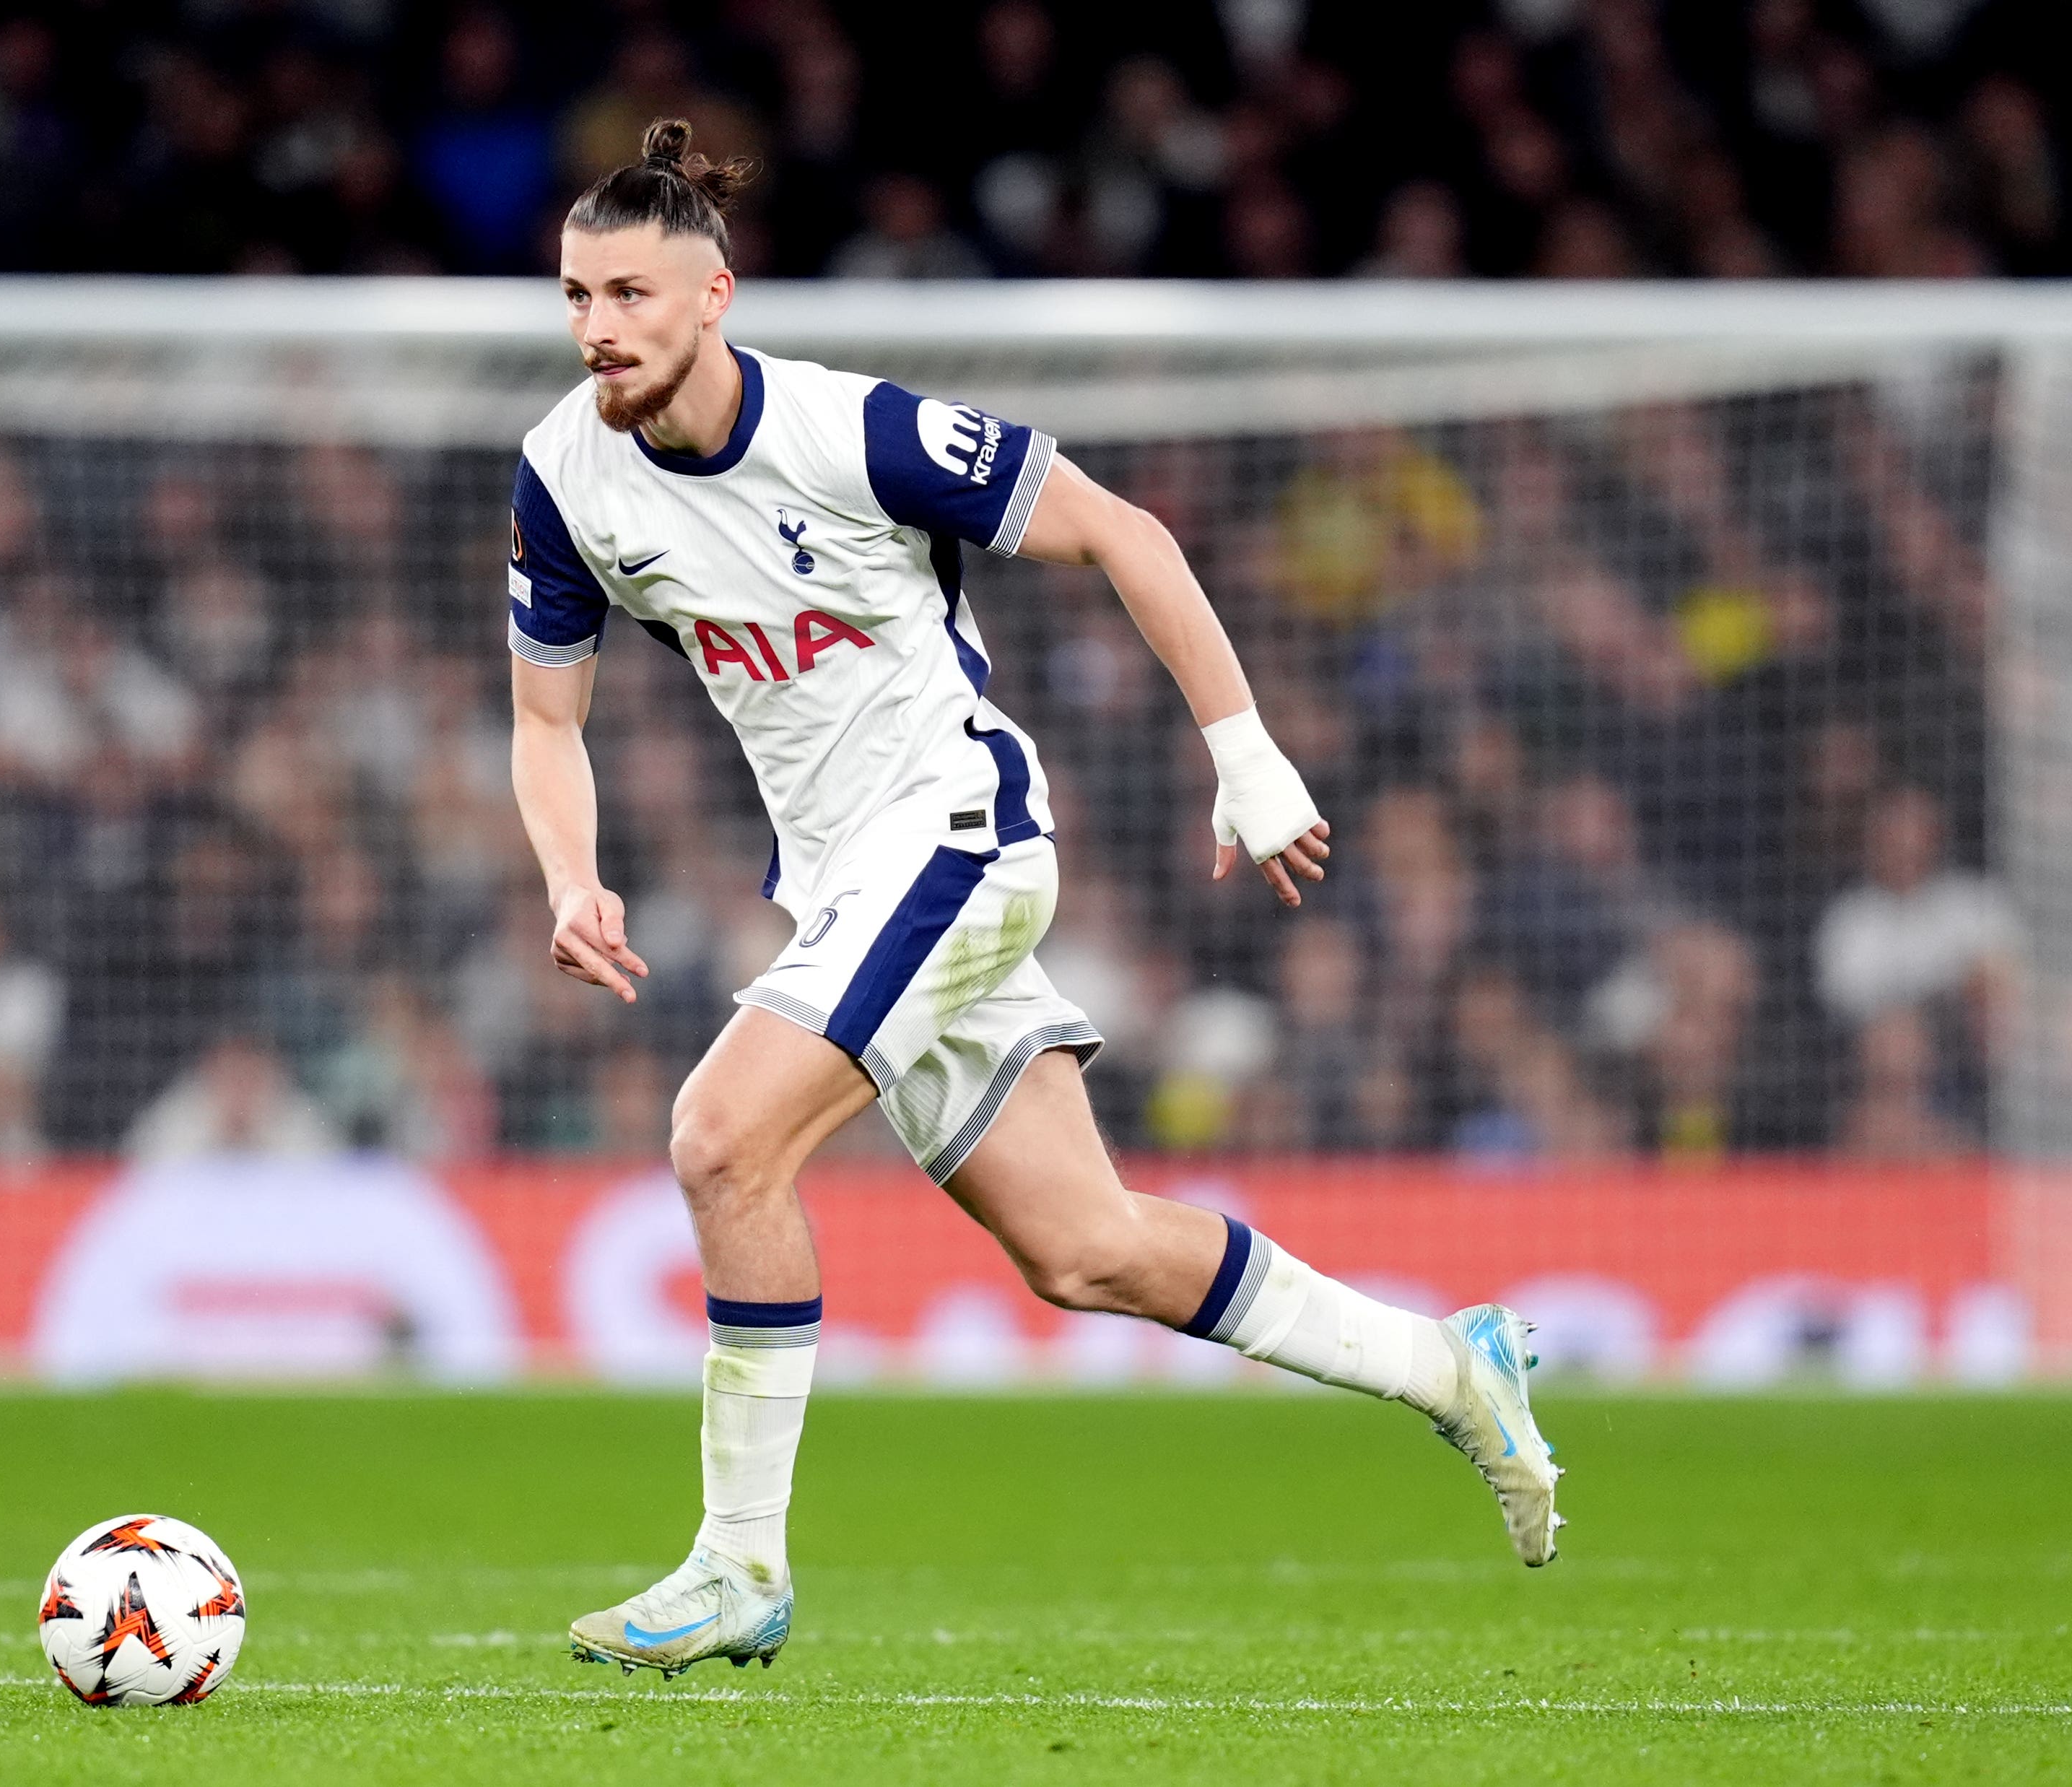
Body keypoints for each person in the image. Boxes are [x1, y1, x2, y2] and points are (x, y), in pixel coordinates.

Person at [508, 121, 1564, 1682]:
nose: (600, 327)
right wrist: (569, 873)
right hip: (841, 885)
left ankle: (737, 1561)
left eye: (632, 295)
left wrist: (1244, 752)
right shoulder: (562, 473)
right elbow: (545, 721)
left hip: (956, 832)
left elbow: (1121, 530)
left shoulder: (852, 432)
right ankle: (1444, 1360)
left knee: (720, 1138)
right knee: (1085, 1250)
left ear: (714, 293)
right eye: (578, 294)